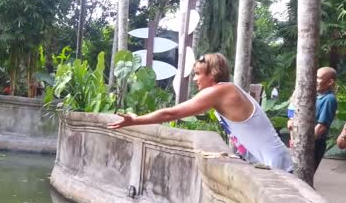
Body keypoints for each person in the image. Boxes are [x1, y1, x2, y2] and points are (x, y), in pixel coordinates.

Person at [107, 53, 293, 172]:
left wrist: (135, 120)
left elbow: (170, 114)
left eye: (198, 74)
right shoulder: (226, 90)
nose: (195, 78)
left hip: (276, 165)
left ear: (212, 74)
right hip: (270, 162)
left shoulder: (220, 91)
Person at [287, 67, 338, 172]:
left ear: (330, 82)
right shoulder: (314, 96)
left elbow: (321, 128)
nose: (314, 80)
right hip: (301, 142)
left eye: (318, 78)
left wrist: (302, 142)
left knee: (303, 176)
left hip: (313, 144)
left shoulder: (329, 99)